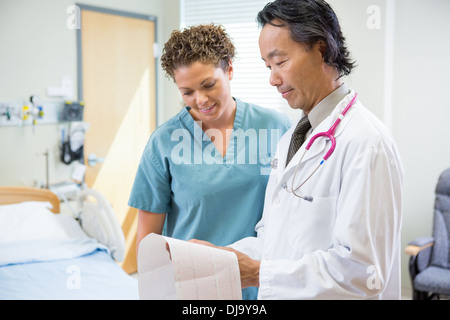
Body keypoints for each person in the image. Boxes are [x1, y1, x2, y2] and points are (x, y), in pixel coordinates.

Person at [193, 0, 404, 299]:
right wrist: (225, 257)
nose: (272, 79)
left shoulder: (366, 143)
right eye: (268, 67)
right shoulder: (293, 137)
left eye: (280, 63)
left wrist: (256, 273)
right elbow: (274, 236)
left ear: (321, 49)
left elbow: (363, 273)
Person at [128, 24, 292, 300]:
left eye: (208, 85)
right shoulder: (163, 143)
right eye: (187, 92)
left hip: (263, 284)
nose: (200, 100)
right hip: (191, 290)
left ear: (229, 69)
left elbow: (293, 213)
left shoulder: (276, 127)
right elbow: (149, 245)